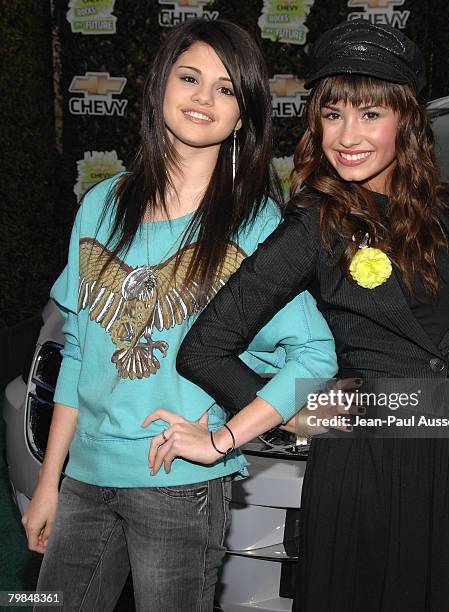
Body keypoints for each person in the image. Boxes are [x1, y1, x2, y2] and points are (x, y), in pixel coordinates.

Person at [170, 20, 449, 612]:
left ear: (406, 121)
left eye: (370, 115)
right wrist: (295, 418)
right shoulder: (314, 225)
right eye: (333, 113)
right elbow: (205, 346)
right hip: (368, 469)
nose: (348, 135)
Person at [21, 19, 337, 612]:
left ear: (243, 115)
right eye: (190, 78)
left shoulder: (256, 227)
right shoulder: (101, 205)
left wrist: (222, 440)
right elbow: (80, 354)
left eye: (226, 88)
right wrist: (50, 484)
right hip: (85, 480)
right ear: (161, 85)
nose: (203, 98)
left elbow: (315, 356)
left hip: (179, 490)